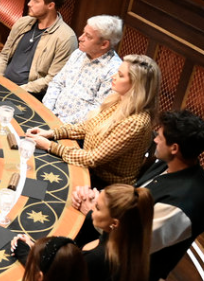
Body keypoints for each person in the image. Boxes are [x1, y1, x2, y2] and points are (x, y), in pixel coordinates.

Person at [72, 110, 204, 281]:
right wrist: (99, 198)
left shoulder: (183, 204)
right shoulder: (169, 163)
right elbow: (133, 195)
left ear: (174, 148)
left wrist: (93, 212)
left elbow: (133, 243)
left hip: (123, 272)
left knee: (57, 256)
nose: (155, 140)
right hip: (111, 236)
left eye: (160, 137)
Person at [26, 54, 160, 186]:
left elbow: (92, 159)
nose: (113, 77)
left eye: (120, 75)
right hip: (87, 167)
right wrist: (52, 133)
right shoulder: (117, 100)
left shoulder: (136, 122)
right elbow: (86, 127)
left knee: (35, 176)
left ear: (136, 85)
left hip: (105, 184)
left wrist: (50, 146)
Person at [0, 0, 77, 96]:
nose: (29, 4)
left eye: (35, 1)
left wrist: (15, 91)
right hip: (1, 84)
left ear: (50, 5)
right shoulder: (23, 22)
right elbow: (4, 54)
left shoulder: (66, 38)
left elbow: (52, 79)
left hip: (27, 95)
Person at [43, 15, 123, 124]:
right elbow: (57, 83)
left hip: (72, 130)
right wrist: (47, 112)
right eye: (83, 32)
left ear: (104, 44)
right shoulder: (79, 53)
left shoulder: (114, 70)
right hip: (49, 116)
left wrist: (59, 123)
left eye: (88, 36)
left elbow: (97, 110)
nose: (80, 38)